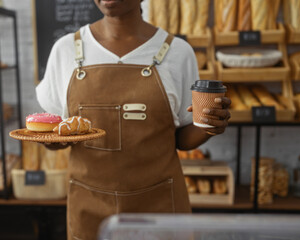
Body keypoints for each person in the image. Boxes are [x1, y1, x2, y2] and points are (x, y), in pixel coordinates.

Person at [36, 0, 231, 239]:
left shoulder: (178, 52)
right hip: (90, 208)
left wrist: (209, 127)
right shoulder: (65, 50)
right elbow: (60, 132)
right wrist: (51, 139)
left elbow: (180, 139)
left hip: (160, 208)